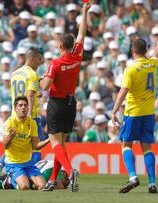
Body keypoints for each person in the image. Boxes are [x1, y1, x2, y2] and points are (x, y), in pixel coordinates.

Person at [39, 2, 91, 192]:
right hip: (71, 104)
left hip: (56, 104)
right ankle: (53, 179)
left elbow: (45, 86)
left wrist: (37, 79)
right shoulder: (77, 55)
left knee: (55, 144)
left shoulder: (56, 62)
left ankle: (70, 171)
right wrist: (85, 12)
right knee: (61, 145)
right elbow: (82, 33)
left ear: (59, 45)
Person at [111, 38, 158, 193]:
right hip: (149, 114)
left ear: (132, 51)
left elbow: (123, 92)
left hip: (133, 113)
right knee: (147, 147)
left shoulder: (130, 69)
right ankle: (152, 183)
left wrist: (114, 111)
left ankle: (133, 176)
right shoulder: (153, 64)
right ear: (145, 51)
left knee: (126, 144)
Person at [0, 47, 45, 180]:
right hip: (28, 115)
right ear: (32, 58)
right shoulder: (32, 74)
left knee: (15, 146)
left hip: (15, 114)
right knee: (36, 146)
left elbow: (22, 94)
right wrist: (30, 117)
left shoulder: (15, 73)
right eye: (38, 60)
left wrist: (36, 94)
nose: (40, 63)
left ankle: (0, 164)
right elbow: (30, 96)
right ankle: (33, 175)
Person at [2, 96, 46, 190]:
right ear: (15, 109)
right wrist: (10, 136)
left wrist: (49, 139)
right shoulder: (10, 123)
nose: (23, 107)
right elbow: (5, 146)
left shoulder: (32, 123)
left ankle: (26, 179)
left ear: (28, 108)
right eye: (20, 105)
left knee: (42, 186)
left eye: (25, 105)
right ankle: (9, 180)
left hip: (28, 163)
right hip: (13, 163)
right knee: (24, 186)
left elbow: (36, 146)